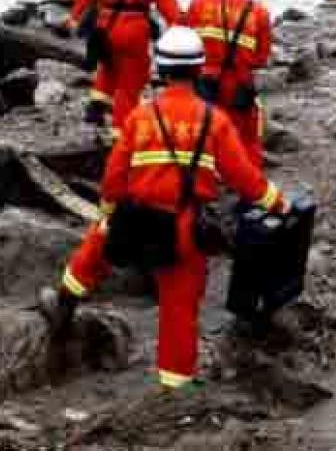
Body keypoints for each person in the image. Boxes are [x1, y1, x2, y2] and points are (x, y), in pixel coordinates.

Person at [40, 27, 289, 391]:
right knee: (179, 306)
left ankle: (66, 300)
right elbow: (243, 177)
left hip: (135, 216)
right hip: (181, 227)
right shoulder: (213, 120)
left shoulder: (142, 116)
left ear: (161, 68)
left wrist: (109, 208)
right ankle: (175, 384)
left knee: (98, 243)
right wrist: (276, 202)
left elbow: (115, 172)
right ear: (199, 68)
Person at [69, 0, 181, 134]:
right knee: (131, 81)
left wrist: (72, 20)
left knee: (109, 65)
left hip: (104, 28)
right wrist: (180, 28)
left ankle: (96, 106)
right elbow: (167, 3)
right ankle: (121, 132)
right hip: (134, 30)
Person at [184, 0, 272, 169]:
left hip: (202, 81)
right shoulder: (259, 12)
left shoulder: (199, 1)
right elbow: (261, 58)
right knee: (247, 137)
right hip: (238, 84)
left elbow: (185, 40)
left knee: (198, 131)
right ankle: (248, 188)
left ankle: (201, 174)